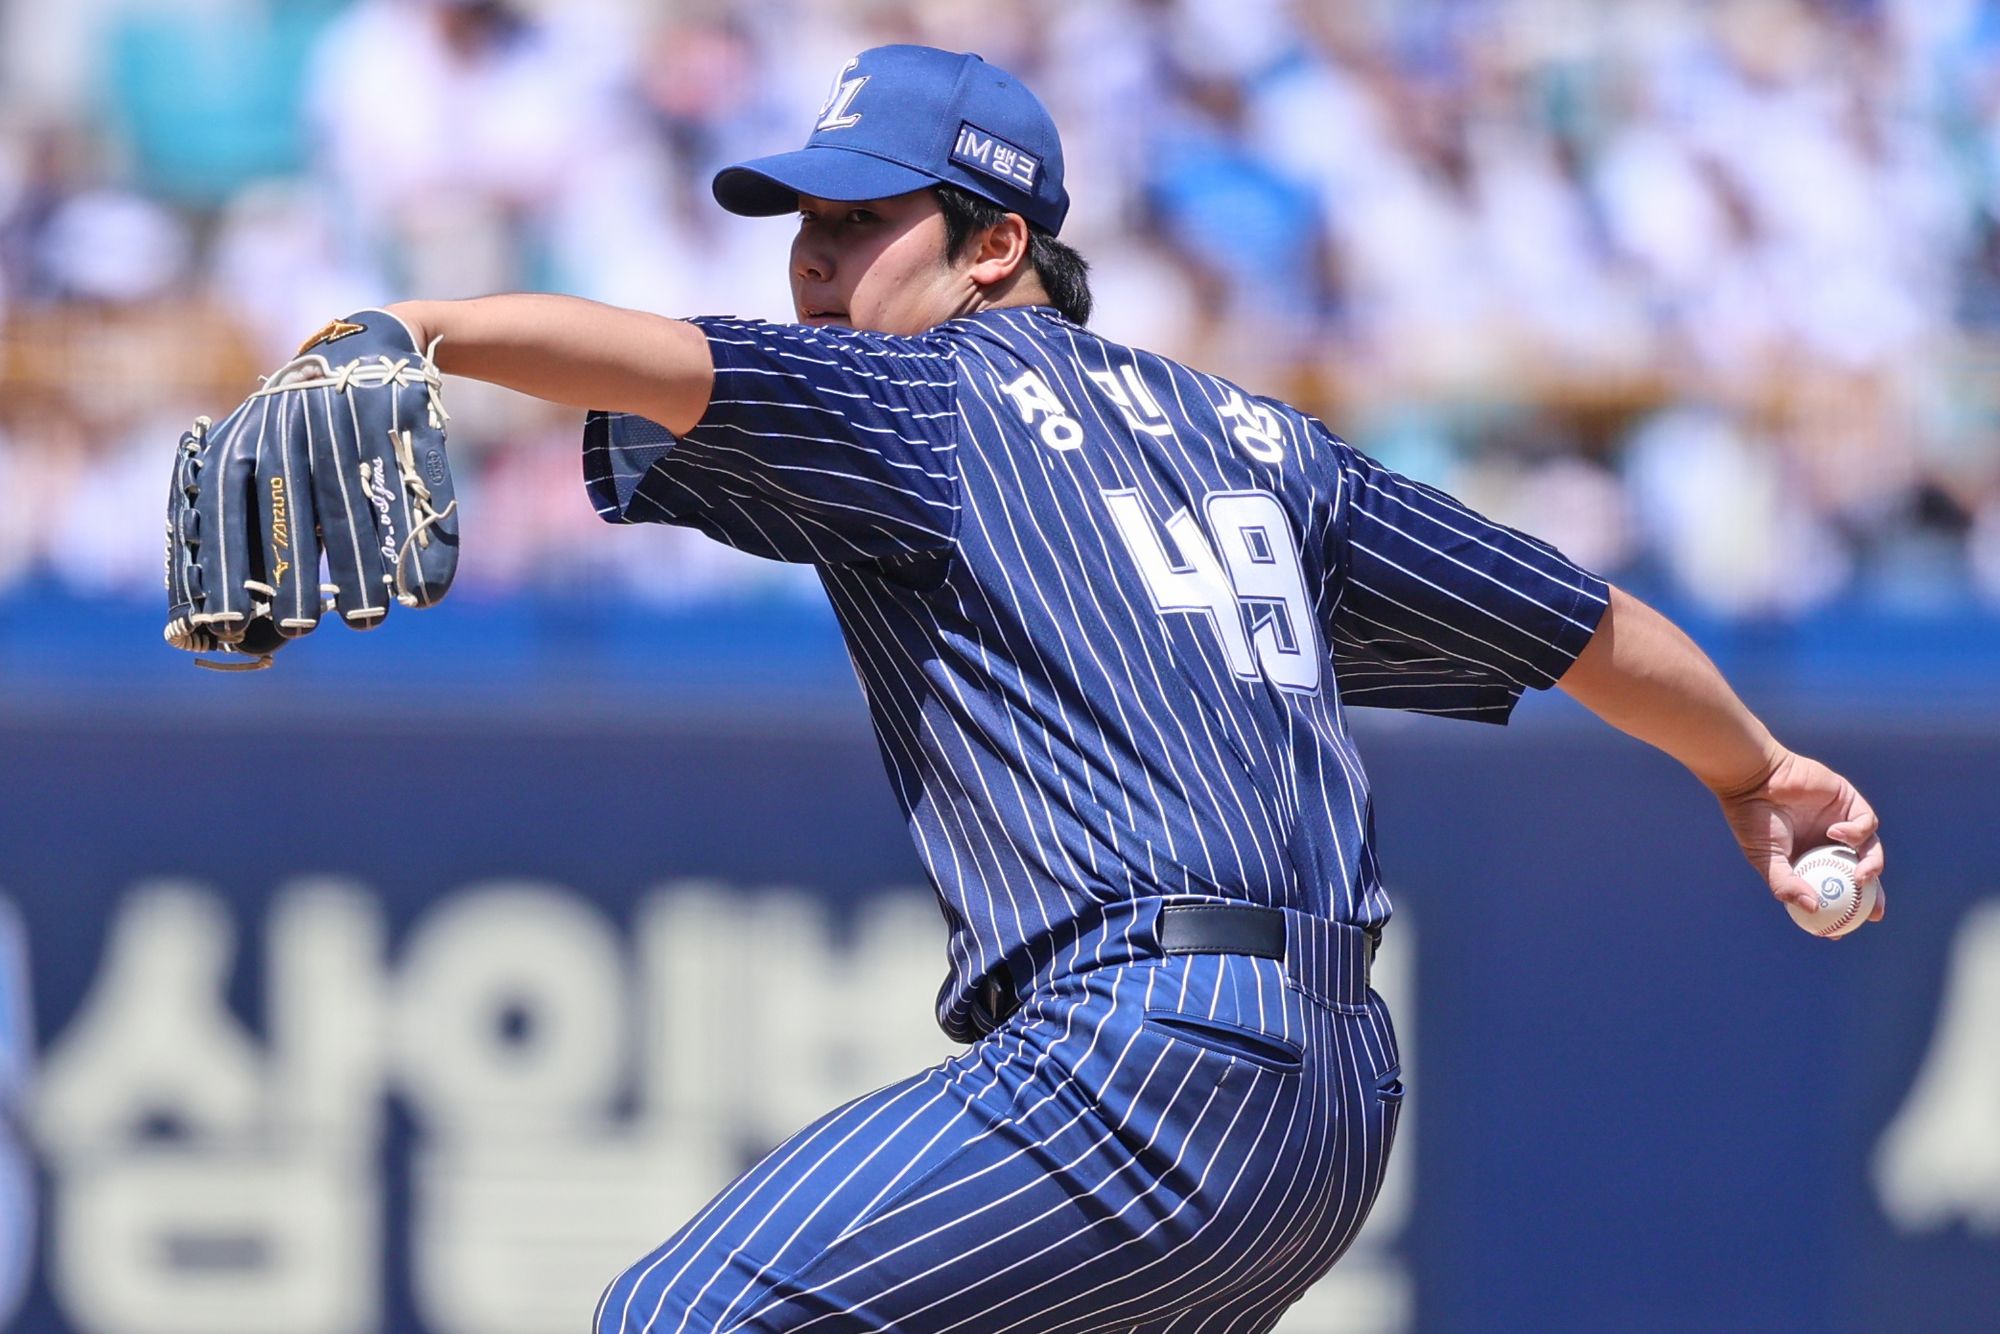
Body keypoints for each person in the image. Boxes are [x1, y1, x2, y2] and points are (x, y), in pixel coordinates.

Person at [375, 44, 1885, 1334]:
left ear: (993, 248)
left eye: (861, 216)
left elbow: (657, 362)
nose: (817, 257)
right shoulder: (1263, 439)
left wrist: (418, 336)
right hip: (1336, 1101)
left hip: (1141, 1053)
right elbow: (1579, 622)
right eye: (803, 223)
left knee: (678, 1319)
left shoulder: (918, 395)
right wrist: (1752, 770)